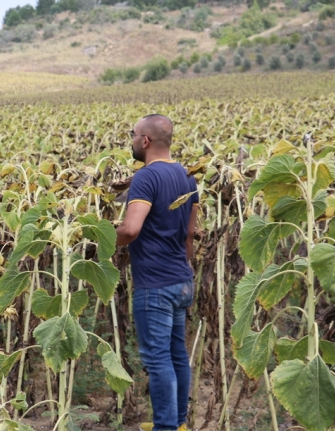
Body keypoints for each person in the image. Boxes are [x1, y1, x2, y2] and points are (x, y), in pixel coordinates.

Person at [115, 114, 198, 431]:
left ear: (145, 140)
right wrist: (185, 267)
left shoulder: (146, 178)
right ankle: (177, 424)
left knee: (158, 359)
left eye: (133, 134)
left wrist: (106, 241)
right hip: (180, 279)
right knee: (177, 354)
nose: (132, 140)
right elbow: (190, 234)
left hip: (155, 284)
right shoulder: (187, 177)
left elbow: (131, 228)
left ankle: (165, 427)